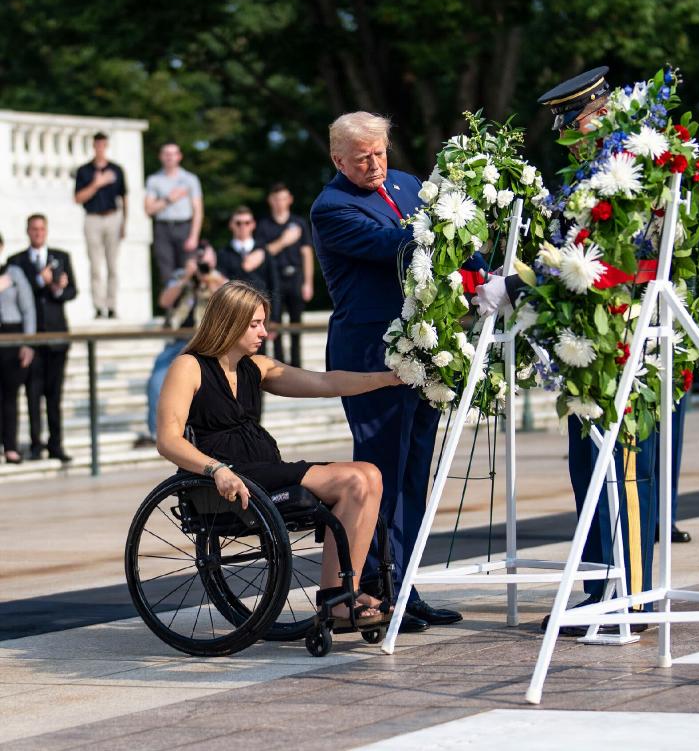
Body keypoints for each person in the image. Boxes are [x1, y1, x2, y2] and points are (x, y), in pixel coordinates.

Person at [477, 68, 665, 634]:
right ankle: (601, 587)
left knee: (623, 472)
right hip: (590, 343)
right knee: (589, 472)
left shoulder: (627, 172)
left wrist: (515, 285)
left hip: (621, 341)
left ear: (600, 114)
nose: (569, 134)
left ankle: (630, 598)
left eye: (575, 121)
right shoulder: (592, 173)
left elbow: (603, 262)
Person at [156, 280, 397, 625]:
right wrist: (216, 470)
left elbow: (326, 383)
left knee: (369, 474)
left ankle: (341, 594)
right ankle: (338, 600)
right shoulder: (189, 367)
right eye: (254, 324)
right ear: (228, 321)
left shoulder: (257, 367)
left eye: (263, 323)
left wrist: (387, 379)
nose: (264, 332)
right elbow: (168, 439)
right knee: (352, 479)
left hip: (263, 468)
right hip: (226, 477)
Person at [311, 111, 466, 633]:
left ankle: (407, 582)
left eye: (381, 152)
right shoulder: (332, 207)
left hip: (422, 350)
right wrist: (455, 225)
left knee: (415, 470)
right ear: (338, 161)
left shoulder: (407, 185)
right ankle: (378, 585)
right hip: (371, 357)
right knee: (381, 470)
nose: (376, 164)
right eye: (363, 158)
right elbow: (395, 247)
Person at [135, 242, 226, 448]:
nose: (201, 262)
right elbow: (165, 301)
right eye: (198, 257)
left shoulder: (218, 277)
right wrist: (187, 276)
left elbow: (226, 300)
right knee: (157, 382)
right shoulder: (180, 276)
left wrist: (209, 277)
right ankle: (158, 434)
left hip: (205, 343)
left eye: (205, 257)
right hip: (177, 343)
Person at [9, 214, 77, 462]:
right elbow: (21, 295)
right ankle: (36, 443)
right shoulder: (16, 261)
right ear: (28, 231)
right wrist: (42, 281)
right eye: (33, 229)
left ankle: (55, 444)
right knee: (32, 393)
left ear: (46, 231)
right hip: (32, 337)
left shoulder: (61, 257)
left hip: (57, 335)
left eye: (41, 229)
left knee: (54, 394)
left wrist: (57, 287)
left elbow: (71, 291)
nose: (38, 233)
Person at [255, 183, 314, 367]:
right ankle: (279, 365)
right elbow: (262, 254)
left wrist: (308, 283)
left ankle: (296, 366)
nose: (279, 203)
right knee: (275, 324)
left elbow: (307, 254)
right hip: (274, 280)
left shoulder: (299, 223)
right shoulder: (264, 226)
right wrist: (284, 240)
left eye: (283, 198)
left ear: (289, 200)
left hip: (295, 278)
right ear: (270, 201)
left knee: (296, 325)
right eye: (276, 199)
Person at [74, 131, 127, 319]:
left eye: (103, 144)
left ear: (106, 145)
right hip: (93, 218)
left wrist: (124, 223)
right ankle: (98, 306)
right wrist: (97, 184)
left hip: (113, 217)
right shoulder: (84, 171)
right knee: (95, 265)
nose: (100, 148)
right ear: (94, 145)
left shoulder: (116, 169)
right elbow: (78, 197)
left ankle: (112, 305)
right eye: (98, 144)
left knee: (113, 265)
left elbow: (124, 196)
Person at [144, 142, 204, 285]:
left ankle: (188, 307)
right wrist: (169, 199)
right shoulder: (154, 180)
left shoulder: (190, 179)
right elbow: (149, 209)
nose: (170, 157)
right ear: (161, 157)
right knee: (166, 273)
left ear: (179, 156)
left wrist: (194, 236)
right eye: (166, 154)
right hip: (162, 229)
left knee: (188, 271)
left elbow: (198, 210)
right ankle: (171, 306)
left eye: (173, 154)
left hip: (185, 227)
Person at [0, 233, 36, 464]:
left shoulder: (14, 273)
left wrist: (28, 342)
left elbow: (28, 308)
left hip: (12, 335)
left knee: (10, 395)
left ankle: (10, 446)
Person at [216, 206, 279, 304]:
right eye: (238, 223)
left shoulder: (264, 252)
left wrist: (274, 316)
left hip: (262, 308)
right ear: (231, 225)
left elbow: (274, 284)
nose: (243, 226)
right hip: (234, 308)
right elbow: (222, 285)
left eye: (247, 223)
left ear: (253, 224)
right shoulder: (223, 253)